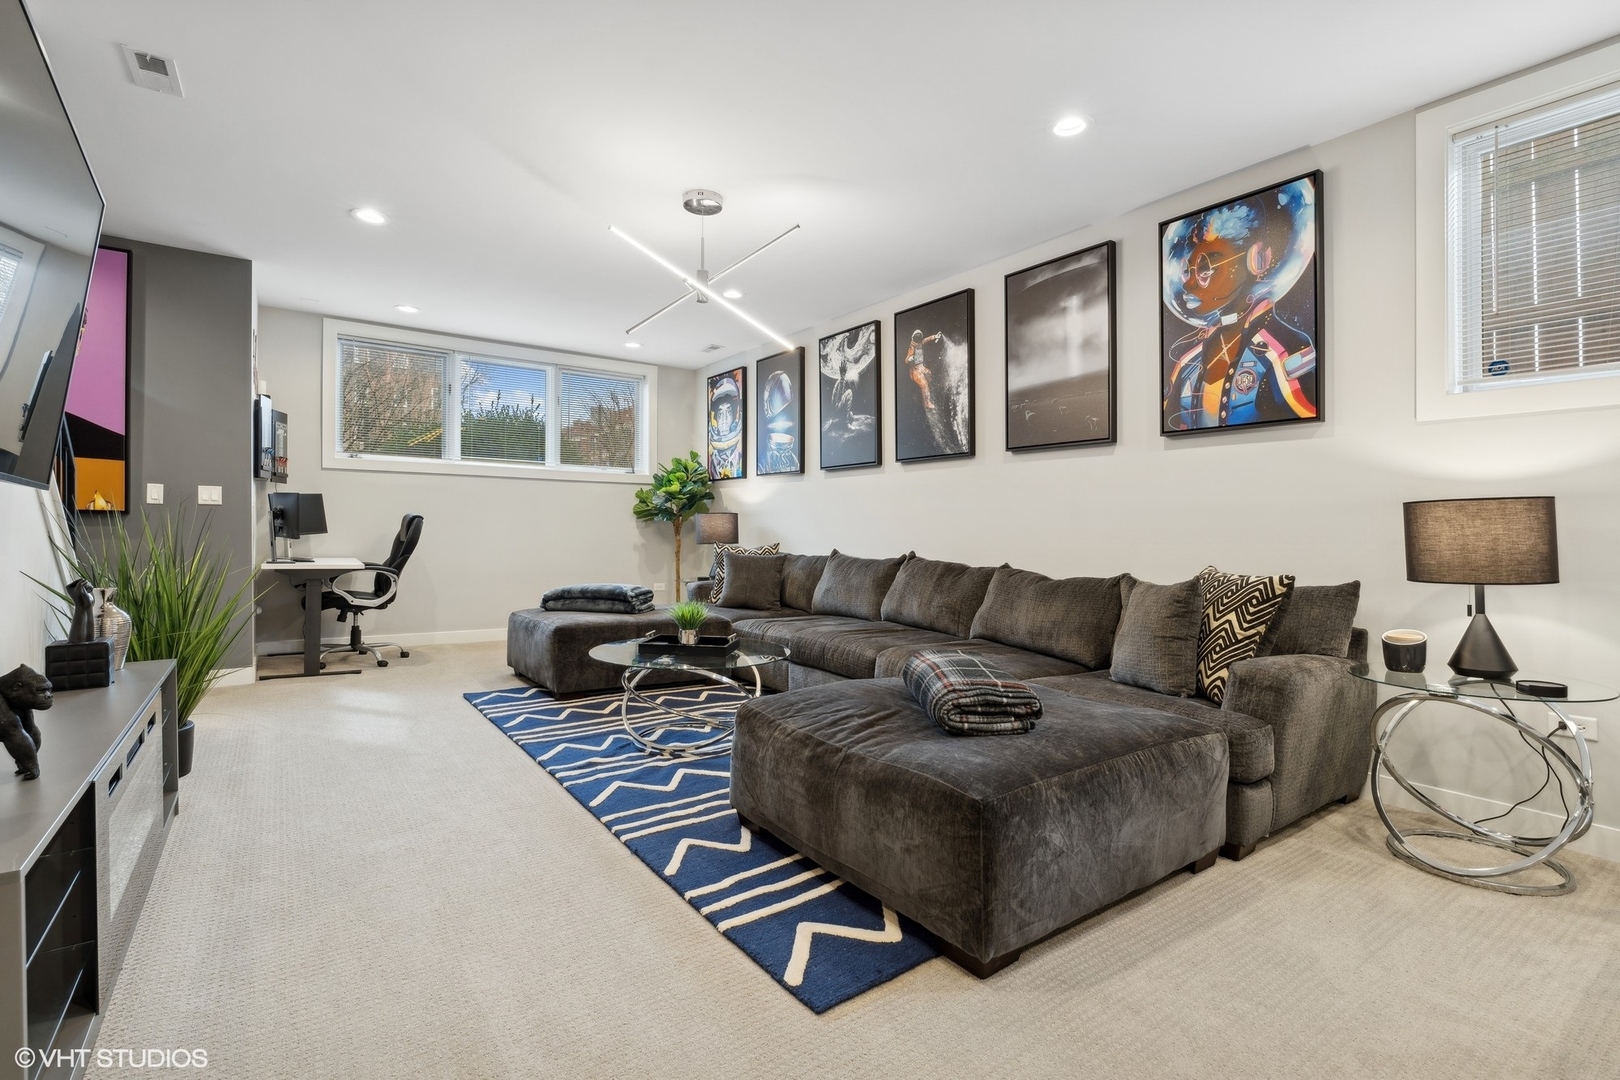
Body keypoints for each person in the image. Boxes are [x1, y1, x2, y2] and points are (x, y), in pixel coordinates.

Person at [902, 328, 945, 411]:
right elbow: (906, 359)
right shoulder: (912, 348)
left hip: (921, 367)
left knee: (929, 374)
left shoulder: (920, 343)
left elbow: (927, 339)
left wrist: (935, 336)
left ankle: (918, 394)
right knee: (924, 384)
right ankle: (927, 403)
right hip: (914, 370)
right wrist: (910, 359)